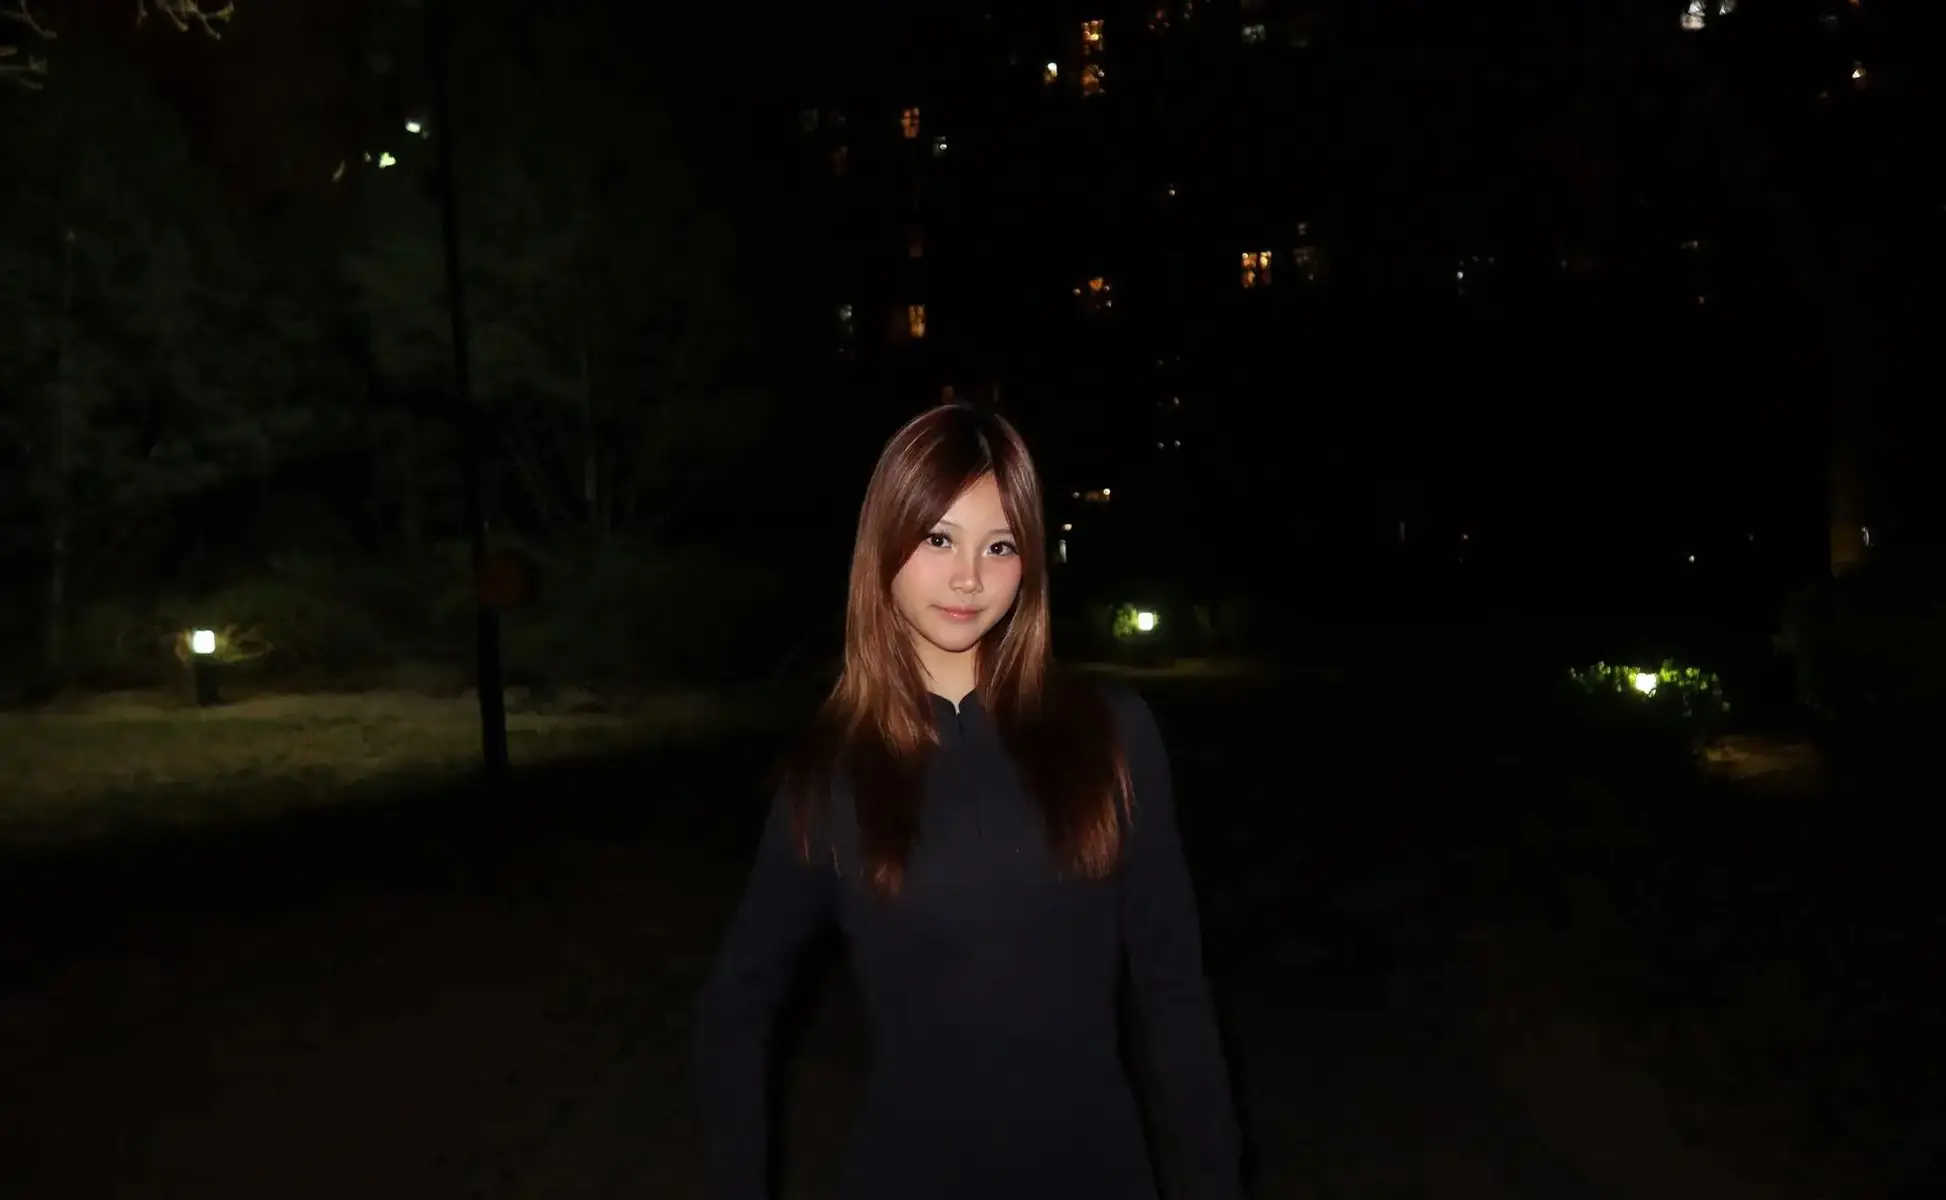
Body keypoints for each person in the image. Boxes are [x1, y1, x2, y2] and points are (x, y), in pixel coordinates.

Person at [692, 403, 1243, 1200]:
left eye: (1000, 546)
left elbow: (1176, 989)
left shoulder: (1112, 735)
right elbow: (737, 1006)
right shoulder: (832, 773)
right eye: (938, 539)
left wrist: (1218, 1179)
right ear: (885, 544)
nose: (969, 578)